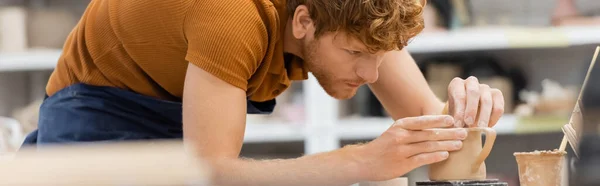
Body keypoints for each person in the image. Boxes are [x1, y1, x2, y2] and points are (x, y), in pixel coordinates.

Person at [22, 0, 505, 185]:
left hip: (175, 111)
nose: (372, 72)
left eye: (384, 54)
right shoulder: (230, 17)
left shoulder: (359, 21)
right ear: (303, 21)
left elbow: (432, 123)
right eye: (357, 53)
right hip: (98, 117)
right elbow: (209, 169)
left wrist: (467, 112)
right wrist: (362, 161)